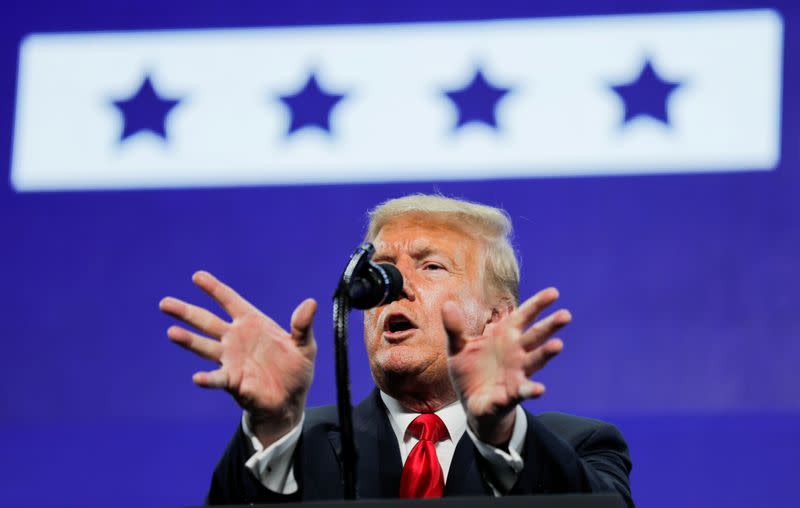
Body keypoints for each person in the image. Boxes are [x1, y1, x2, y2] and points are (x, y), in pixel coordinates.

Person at [159, 194, 633, 506]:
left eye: (430, 266)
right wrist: (274, 426)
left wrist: (498, 431)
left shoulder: (582, 445)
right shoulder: (291, 448)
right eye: (382, 268)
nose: (393, 287)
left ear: (496, 318)